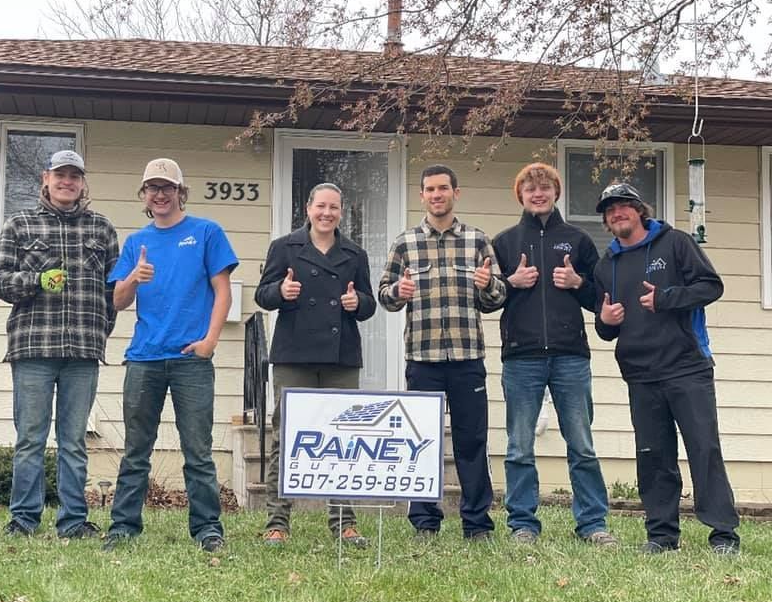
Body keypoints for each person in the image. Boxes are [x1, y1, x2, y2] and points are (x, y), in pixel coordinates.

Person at [593, 182, 740, 555]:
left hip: (687, 367)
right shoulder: (604, 264)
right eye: (610, 210)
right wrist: (606, 320)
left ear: (639, 209)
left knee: (704, 451)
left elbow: (711, 286)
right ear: (607, 222)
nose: (617, 213)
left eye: (624, 205)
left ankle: (723, 534)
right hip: (640, 374)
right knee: (653, 456)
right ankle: (661, 536)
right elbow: (605, 327)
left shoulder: (676, 243)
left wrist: (667, 298)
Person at [104, 158, 238, 553]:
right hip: (144, 358)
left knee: (197, 450)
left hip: (190, 359)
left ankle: (207, 530)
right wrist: (133, 277)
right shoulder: (135, 244)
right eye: (152, 188)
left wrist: (210, 340)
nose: (160, 195)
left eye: (167, 187)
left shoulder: (206, 232)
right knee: (136, 450)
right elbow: (118, 301)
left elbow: (223, 291)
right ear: (144, 195)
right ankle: (123, 528)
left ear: (181, 192)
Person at [0, 149, 119, 538]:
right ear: (45, 178)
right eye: (60, 175)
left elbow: (114, 291)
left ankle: (73, 522)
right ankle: (23, 520)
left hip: (83, 351)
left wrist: (100, 331)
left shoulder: (102, 229)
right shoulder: (20, 224)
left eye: (74, 176)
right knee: (30, 438)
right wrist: (34, 281)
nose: (67, 182)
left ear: (83, 183)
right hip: (33, 349)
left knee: (74, 441)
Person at [379, 164, 506, 541]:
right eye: (430, 190)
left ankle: (477, 523)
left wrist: (487, 285)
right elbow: (385, 294)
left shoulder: (478, 240)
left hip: (468, 358)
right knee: (421, 442)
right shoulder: (405, 243)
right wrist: (396, 293)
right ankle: (424, 522)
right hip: (423, 359)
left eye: (443, 189)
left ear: (456, 193)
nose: (437, 195)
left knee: (472, 441)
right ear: (422, 196)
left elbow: (497, 297)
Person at [492, 163, 615, 545]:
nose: (537, 193)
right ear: (521, 196)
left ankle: (593, 524)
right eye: (530, 188)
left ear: (556, 192)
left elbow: (600, 300)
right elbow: (485, 299)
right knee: (518, 446)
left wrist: (578, 283)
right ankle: (523, 524)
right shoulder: (505, 242)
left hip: (570, 355)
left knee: (581, 443)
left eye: (544, 187)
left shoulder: (577, 240)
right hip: (521, 356)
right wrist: (511, 283)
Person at [255, 183, 377, 548]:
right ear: (307, 208)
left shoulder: (354, 253)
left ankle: (344, 522)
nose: (327, 213)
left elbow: (370, 303)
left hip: (341, 357)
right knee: (287, 436)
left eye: (334, 208)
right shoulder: (285, 247)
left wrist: (357, 303)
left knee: (343, 438)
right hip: (294, 355)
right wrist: (281, 293)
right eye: (320, 206)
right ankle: (277, 521)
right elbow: (263, 294)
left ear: (342, 212)